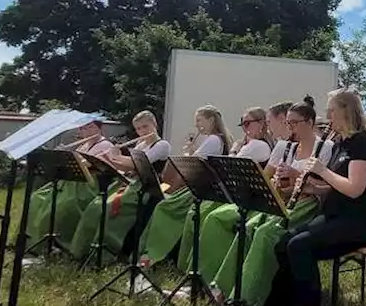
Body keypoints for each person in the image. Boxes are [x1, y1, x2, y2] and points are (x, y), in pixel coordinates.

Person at [276, 88, 366, 306]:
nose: (328, 116)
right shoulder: (342, 143)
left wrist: (322, 171)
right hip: (336, 214)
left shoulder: (362, 144)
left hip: (361, 221)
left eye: (331, 111)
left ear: (346, 111)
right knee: (283, 243)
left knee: (299, 246)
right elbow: (335, 186)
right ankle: (300, 304)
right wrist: (309, 187)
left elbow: (355, 189)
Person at [212, 98, 333, 306]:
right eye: (288, 123)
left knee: (265, 233)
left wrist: (295, 175)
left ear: (311, 122)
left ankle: (247, 301)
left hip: (309, 206)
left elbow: (323, 185)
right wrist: (279, 185)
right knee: (247, 228)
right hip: (287, 201)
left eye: (294, 123)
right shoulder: (289, 148)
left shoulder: (325, 147)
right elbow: (284, 187)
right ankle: (223, 287)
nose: (290, 128)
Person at [68, 111, 171, 261]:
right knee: (95, 207)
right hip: (131, 184)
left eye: (145, 126)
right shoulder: (141, 143)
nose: (142, 131)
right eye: (139, 129)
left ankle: (107, 253)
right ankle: (84, 250)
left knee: (107, 208)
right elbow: (126, 168)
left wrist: (117, 155)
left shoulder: (162, 145)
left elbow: (141, 163)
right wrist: (109, 159)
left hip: (149, 188)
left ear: (155, 124)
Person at [138, 105, 229, 268]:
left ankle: (154, 253)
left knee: (164, 208)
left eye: (199, 120)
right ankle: (154, 252)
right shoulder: (215, 139)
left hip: (201, 189)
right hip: (198, 186)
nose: (197, 125)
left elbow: (193, 165)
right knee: (164, 204)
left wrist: (188, 154)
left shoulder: (214, 139)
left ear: (211, 120)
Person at [195, 107, 279, 281]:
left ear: (262, 124)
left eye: (248, 123)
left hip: (251, 200)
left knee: (212, 219)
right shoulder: (255, 144)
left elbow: (228, 165)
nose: (245, 128)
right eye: (242, 124)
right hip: (244, 197)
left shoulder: (259, 145)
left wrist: (234, 149)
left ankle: (204, 274)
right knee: (204, 214)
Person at [26, 119, 117, 253]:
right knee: (36, 198)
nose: (87, 131)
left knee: (60, 207)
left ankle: (54, 244)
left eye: (90, 127)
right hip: (71, 183)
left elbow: (92, 166)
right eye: (83, 128)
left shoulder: (105, 145)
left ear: (99, 128)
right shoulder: (84, 144)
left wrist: (74, 157)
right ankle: (29, 240)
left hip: (89, 186)